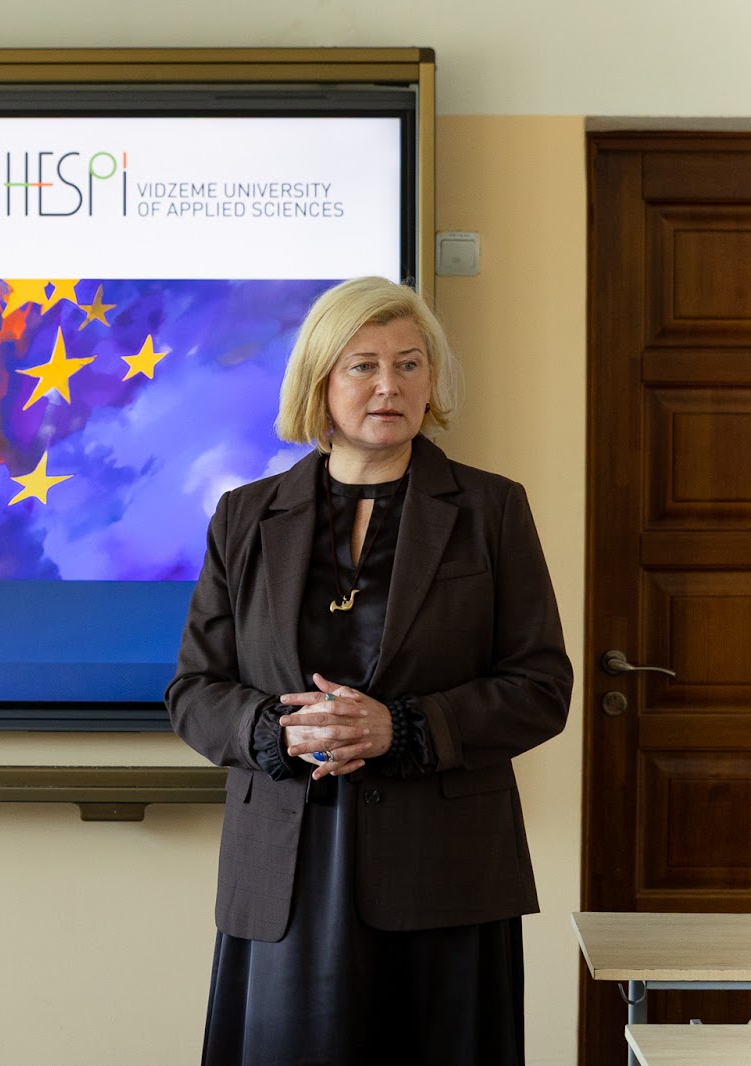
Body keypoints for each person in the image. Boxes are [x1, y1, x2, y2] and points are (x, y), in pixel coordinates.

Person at [166, 277, 572, 1065]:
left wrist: (401, 728)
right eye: (364, 366)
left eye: (410, 364)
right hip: (286, 872)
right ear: (319, 381)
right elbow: (193, 690)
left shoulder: (492, 510)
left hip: (445, 870)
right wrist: (277, 730)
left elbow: (540, 685)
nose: (390, 385)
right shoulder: (245, 517)